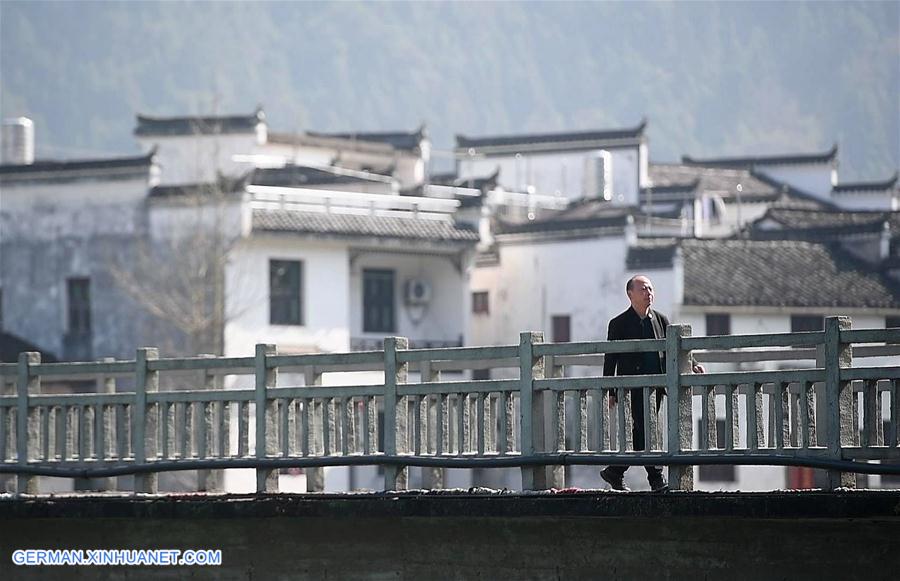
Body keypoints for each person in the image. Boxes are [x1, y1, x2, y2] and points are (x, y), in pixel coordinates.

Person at [600, 274, 705, 492]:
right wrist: (610, 390)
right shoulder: (618, 323)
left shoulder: (660, 319)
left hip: (657, 386)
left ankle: (615, 471)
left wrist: (693, 363)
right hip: (632, 386)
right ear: (630, 294)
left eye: (650, 289)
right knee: (648, 430)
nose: (649, 293)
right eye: (643, 289)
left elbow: (675, 346)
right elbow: (610, 358)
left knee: (642, 432)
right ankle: (656, 478)